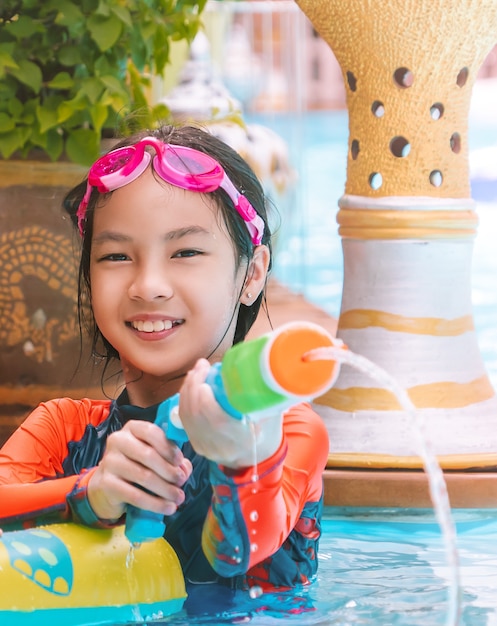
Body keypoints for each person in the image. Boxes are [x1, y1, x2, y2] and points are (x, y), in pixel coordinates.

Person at [0, 125, 329, 591]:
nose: (147, 284)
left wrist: (239, 463)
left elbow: (241, 552)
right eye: (116, 256)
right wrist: (90, 492)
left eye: (186, 251)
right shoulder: (63, 433)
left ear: (252, 274)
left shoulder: (285, 430)